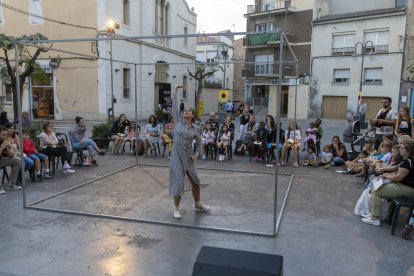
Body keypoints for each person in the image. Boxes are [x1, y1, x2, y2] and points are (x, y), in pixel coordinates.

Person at [169, 85, 209, 219]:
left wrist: (197, 154)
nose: (186, 111)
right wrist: (175, 90)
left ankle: (198, 204)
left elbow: (199, 143)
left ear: (192, 115)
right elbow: (174, 106)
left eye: (189, 110)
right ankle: (176, 208)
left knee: (195, 182)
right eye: (185, 110)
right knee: (178, 182)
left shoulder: (196, 128)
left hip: (188, 157)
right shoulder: (178, 121)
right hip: (176, 157)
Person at [362, 141, 414, 226]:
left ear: (408, 151)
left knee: (376, 190)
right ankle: (378, 215)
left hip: (407, 188)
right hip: (403, 185)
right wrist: (383, 170)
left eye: (402, 148)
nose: (400, 149)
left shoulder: (408, 162)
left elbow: (398, 177)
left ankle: (375, 218)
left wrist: (385, 176)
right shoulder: (406, 160)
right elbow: (395, 167)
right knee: (376, 188)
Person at [0, 126, 21, 194]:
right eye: (3, 135)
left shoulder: (4, 141)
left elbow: (12, 155)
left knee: (17, 160)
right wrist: (2, 147)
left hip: (1, 160)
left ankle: (11, 183)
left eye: (6, 134)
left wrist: (7, 147)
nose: (5, 136)